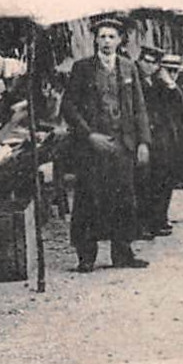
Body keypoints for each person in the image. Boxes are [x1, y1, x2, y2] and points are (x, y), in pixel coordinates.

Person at [62, 18, 152, 272]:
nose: (106, 42)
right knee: (89, 199)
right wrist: (89, 135)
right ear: (95, 40)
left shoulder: (128, 68)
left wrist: (143, 142)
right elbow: (68, 106)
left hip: (123, 144)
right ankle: (86, 256)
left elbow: (139, 108)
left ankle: (122, 253)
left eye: (111, 37)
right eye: (102, 37)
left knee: (124, 199)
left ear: (120, 40)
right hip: (92, 147)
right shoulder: (82, 69)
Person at [139, 52, 183, 238]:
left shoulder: (176, 88)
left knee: (167, 181)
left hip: (172, 142)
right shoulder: (151, 86)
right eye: (168, 70)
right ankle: (148, 222)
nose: (172, 74)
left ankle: (160, 218)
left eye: (175, 71)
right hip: (155, 141)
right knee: (151, 182)